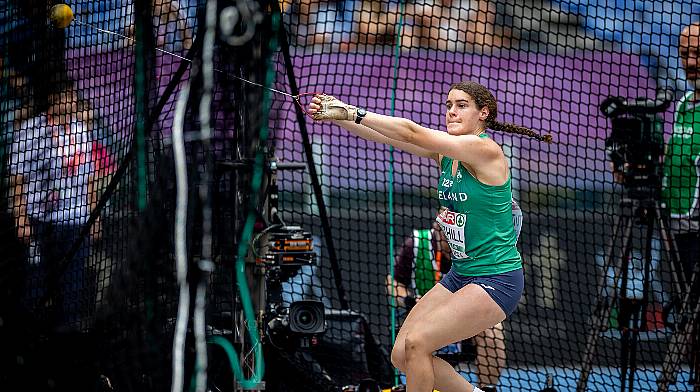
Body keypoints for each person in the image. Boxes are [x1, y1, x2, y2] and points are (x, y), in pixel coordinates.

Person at [307, 81, 550, 392]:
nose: (451, 111)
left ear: (483, 113)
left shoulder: (485, 150)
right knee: (400, 354)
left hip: (497, 278)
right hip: (461, 275)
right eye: (448, 105)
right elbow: (389, 137)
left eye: (461, 105)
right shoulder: (447, 154)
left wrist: (352, 110)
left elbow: (410, 131)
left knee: (419, 343)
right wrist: (338, 116)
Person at [8, 83, 113, 330]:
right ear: (54, 99)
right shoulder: (29, 132)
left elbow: (89, 179)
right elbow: (17, 180)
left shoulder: (81, 131)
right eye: (69, 96)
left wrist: (94, 217)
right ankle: (29, 337)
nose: (75, 101)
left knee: (73, 287)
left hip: (76, 219)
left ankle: (67, 340)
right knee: (37, 284)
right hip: (39, 220)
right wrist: (20, 217)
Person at [387, 199, 523, 392]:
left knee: (493, 334)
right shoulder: (418, 244)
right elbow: (393, 283)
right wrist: (408, 299)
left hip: (466, 318)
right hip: (430, 314)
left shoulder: (478, 252)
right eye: (441, 227)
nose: (444, 232)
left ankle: (488, 388)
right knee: (403, 350)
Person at [660, 20, 700, 380]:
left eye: (698, 53)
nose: (690, 61)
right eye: (685, 54)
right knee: (690, 317)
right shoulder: (686, 102)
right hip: (681, 229)